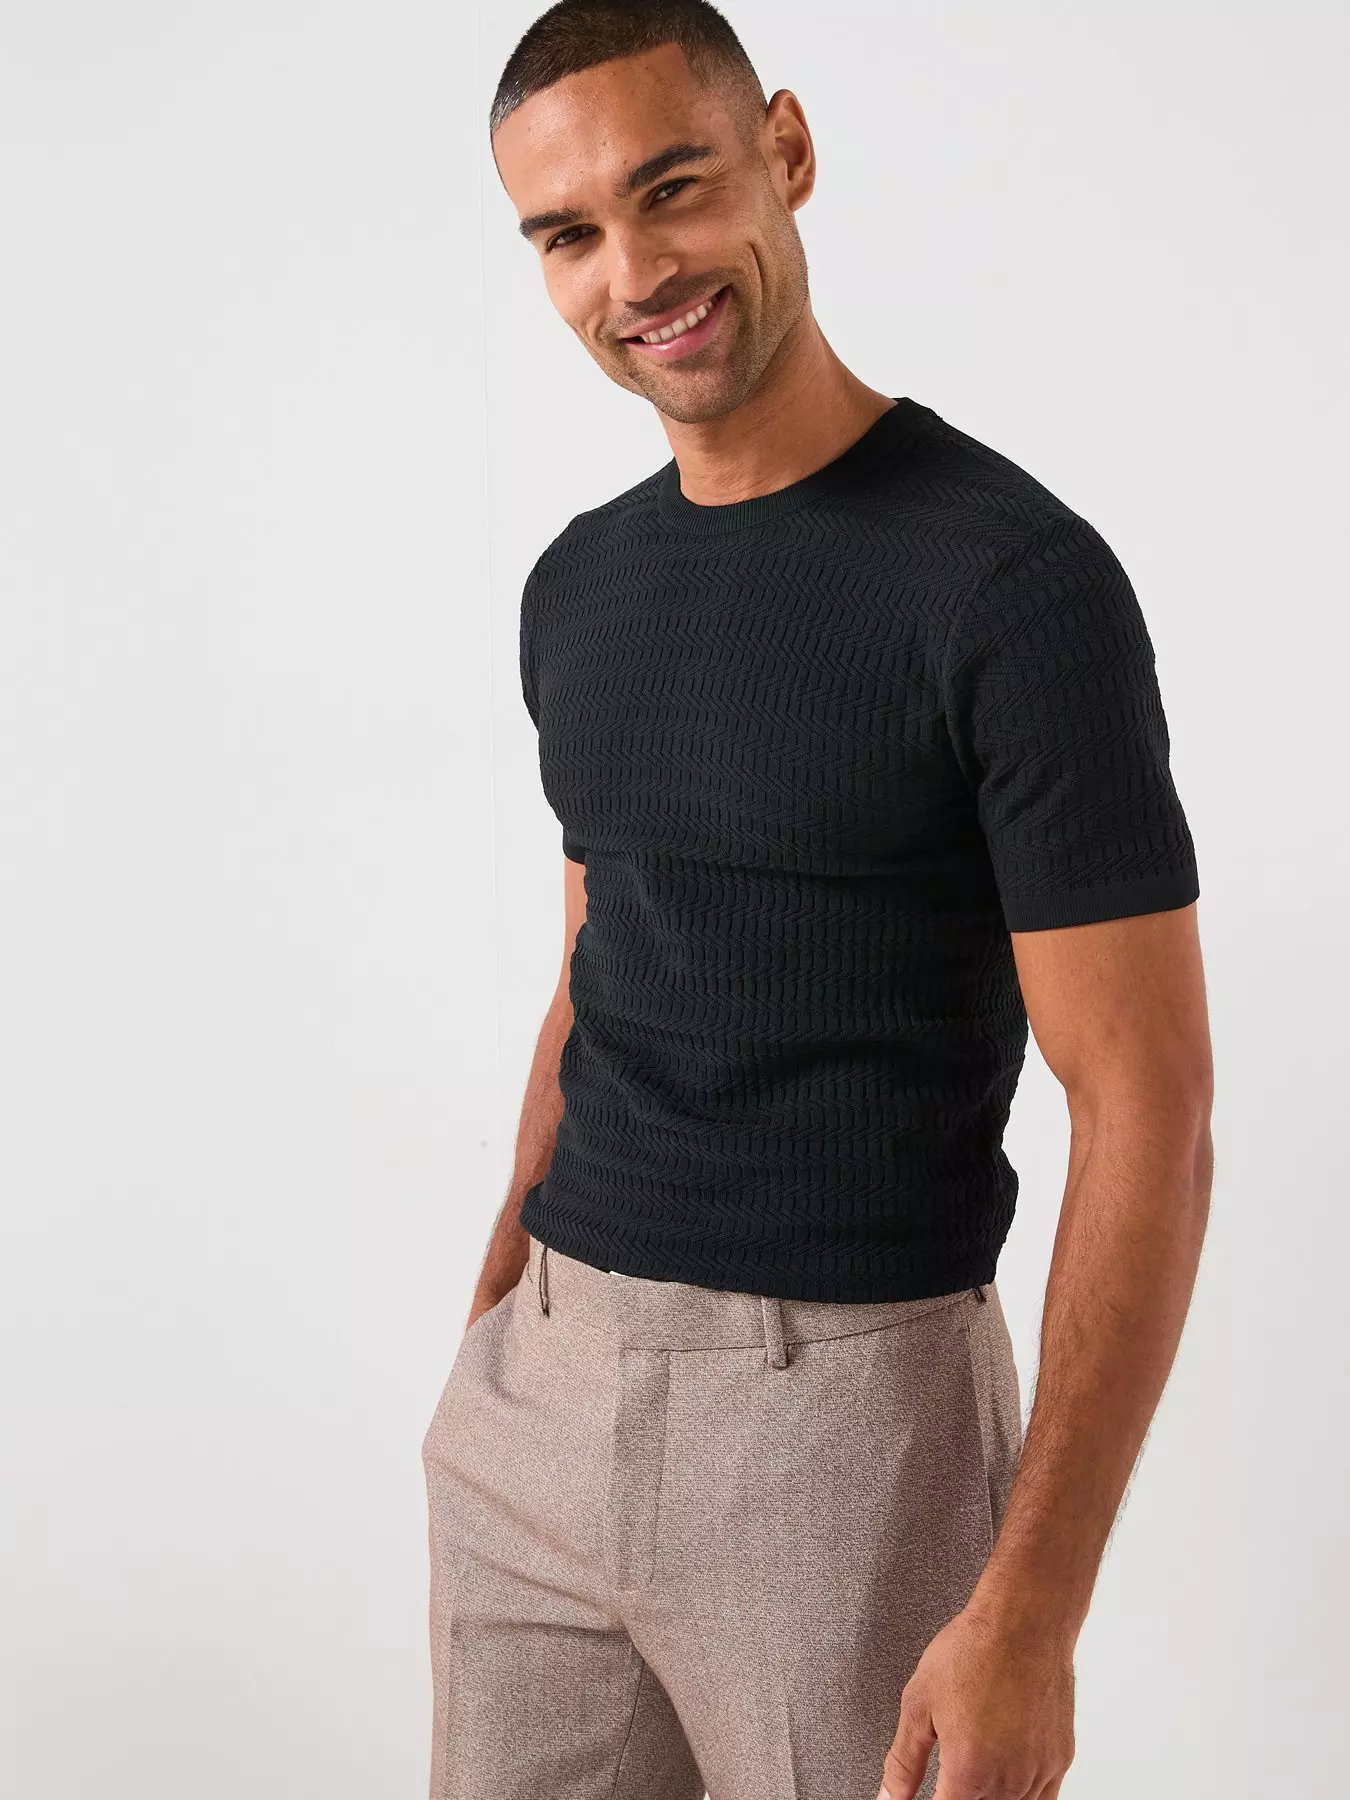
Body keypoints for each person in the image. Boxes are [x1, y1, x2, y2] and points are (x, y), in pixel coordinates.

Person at [420, 3, 1214, 1797]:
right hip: (536, 1403)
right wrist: (499, 1307)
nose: (635, 274)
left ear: (782, 149)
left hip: (837, 1426)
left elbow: (1146, 1106)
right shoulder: (578, 587)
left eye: (671, 189)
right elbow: (598, 959)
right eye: (566, 234)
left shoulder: (1011, 584)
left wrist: (1032, 1610)